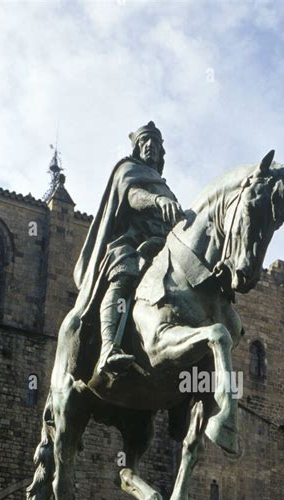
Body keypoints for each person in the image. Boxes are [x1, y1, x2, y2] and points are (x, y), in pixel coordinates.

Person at [73, 121, 184, 374]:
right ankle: (108, 349)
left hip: (161, 247)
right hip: (129, 243)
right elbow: (132, 197)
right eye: (145, 142)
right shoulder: (128, 169)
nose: (150, 147)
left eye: (155, 143)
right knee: (125, 276)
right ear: (136, 147)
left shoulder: (164, 185)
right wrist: (157, 200)